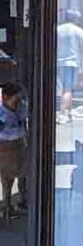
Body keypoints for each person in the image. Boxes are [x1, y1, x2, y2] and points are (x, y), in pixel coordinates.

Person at [0, 82, 28, 217]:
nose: (17, 103)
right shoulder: (2, 114)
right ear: (5, 98)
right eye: (15, 100)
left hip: (19, 146)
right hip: (6, 149)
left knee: (23, 176)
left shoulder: (20, 109)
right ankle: (7, 206)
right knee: (7, 179)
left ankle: (23, 200)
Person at [55, 9, 83, 124]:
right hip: (72, 63)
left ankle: (70, 112)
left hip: (58, 62)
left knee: (65, 88)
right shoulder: (79, 31)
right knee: (67, 89)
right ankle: (62, 113)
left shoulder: (58, 30)